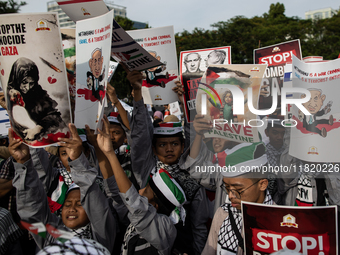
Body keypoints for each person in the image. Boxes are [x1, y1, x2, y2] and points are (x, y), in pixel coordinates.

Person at [125, 66, 209, 255]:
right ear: (154, 149)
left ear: (182, 146)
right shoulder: (148, 170)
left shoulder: (192, 174)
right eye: (163, 145)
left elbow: (199, 225)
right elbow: (139, 138)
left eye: (174, 144)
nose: (169, 149)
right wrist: (137, 93)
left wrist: (183, 102)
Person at [10, 124, 116, 252]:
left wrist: (77, 160)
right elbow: (33, 212)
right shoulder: (53, 237)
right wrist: (23, 163)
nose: (71, 209)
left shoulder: (100, 238)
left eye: (79, 204)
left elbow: (95, 203)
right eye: (67, 204)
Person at [96, 115, 182, 255]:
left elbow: (132, 199)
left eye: (147, 189)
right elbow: (113, 189)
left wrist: (111, 154)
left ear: (154, 206)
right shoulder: (139, 218)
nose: (141, 189)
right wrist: (99, 148)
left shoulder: (160, 227)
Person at [202, 142, 273, 255]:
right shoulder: (223, 213)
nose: (230, 196)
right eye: (227, 188)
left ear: (262, 185)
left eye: (239, 190)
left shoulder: (277, 222)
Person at [6, 57, 67, 142]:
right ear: (17, 79)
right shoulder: (10, 93)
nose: (27, 87)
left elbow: (55, 116)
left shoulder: (38, 93)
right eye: (24, 82)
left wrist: (38, 128)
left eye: (31, 83)